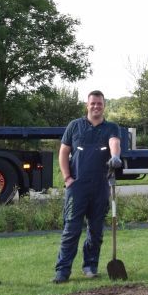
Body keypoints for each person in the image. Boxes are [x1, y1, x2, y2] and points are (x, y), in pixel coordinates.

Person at [53, 90, 122, 283]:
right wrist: (67, 178)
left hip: (100, 187)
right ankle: (62, 271)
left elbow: (114, 143)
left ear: (104, 105)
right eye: (93, 103)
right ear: (87, 105)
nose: (96, 107)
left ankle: (90, 266)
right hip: (77, 187)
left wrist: (115, 156)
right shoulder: (75, 126)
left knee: (96, 230)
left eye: (99, 103)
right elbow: (63, 152)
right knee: (71, 229)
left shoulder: (111, 127)